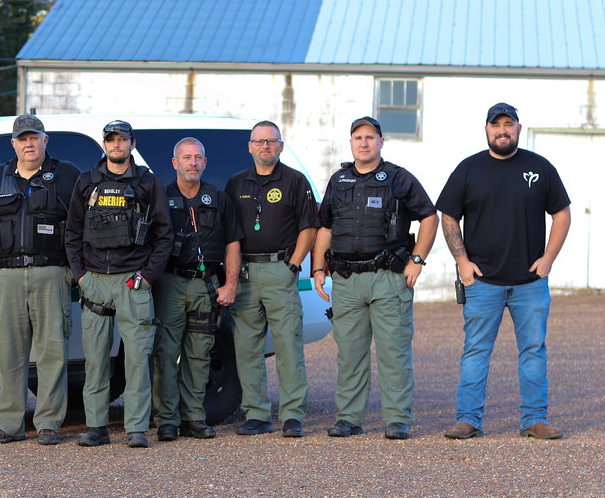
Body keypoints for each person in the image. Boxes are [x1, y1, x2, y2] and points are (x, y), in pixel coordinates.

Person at [437, 103, 571, 440]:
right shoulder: (469, 169)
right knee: (476, 352)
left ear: (518, 129)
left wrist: (548, 259)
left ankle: (534, 419)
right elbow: (449, 216)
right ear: (486, 129)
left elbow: (562, 214)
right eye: (496, 125)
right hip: (483, 282)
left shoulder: (539, 168)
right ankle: (468, 419)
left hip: (530, 282)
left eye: (508, 124)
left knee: (533, 351)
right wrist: (463, 263)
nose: (502, 130)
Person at [312, 116, 437, 440]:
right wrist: (317, 269)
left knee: (394, 353)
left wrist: (417, 261)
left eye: (370, 137)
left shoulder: (398, 179)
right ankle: (349, 418)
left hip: (388, 279)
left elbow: (429, 217)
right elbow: (324, 227)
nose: (364, 142)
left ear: (382, 142)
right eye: (358, 137)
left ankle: (397, 420)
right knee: (350, 354)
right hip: (347, 280)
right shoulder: (338, 180)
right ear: (351, 143)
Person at [64, 120, 172, 448]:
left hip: (132, 282)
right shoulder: (86, 182)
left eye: (121, 140)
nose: (116, 145)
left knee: (137, 359)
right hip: (95, 281)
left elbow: (163, 235)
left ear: (132, 144)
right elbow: (72, 233)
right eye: (111, 140)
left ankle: (136, 428)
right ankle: (96, 427)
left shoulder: (148, 183)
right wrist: (81, 276)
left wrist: (147, 276)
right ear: (104, 144)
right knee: (96, 361)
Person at [0, 114, 80, 446]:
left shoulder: (66, 176)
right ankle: (9, 423)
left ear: (45, 140)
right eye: (22, 139)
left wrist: (72, 270)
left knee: (52, 352)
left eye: (34, 137)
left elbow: (81, 223)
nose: (29, 143)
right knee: (9, 353)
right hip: (7, 277)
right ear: (14, 143)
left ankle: (48, 422)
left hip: (51, 274)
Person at [226, 121, 319, 438]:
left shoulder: (295, 181)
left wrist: (293, 266)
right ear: (250, 147)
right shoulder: (236, 183)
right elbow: (229, 233)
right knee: (247, 348)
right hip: (246, 275)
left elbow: (309, 227)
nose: (265, 146)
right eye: (259, 141)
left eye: (271, 141)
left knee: (288, 346)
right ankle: (256, 414)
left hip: (281, 270)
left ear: (280, 146)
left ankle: (292, 415)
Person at [152, 137, 241, 441]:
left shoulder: (218, 199)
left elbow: (232, 244)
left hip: (206, 286)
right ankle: (166, 419)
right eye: (186, 157)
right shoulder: (161, 197)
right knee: (165, 352)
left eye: (198, 157)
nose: (193, 162)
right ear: (175, 163)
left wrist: (230, 284)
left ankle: (193, 418)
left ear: (205, 162)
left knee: (199, 353)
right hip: (170, 284)